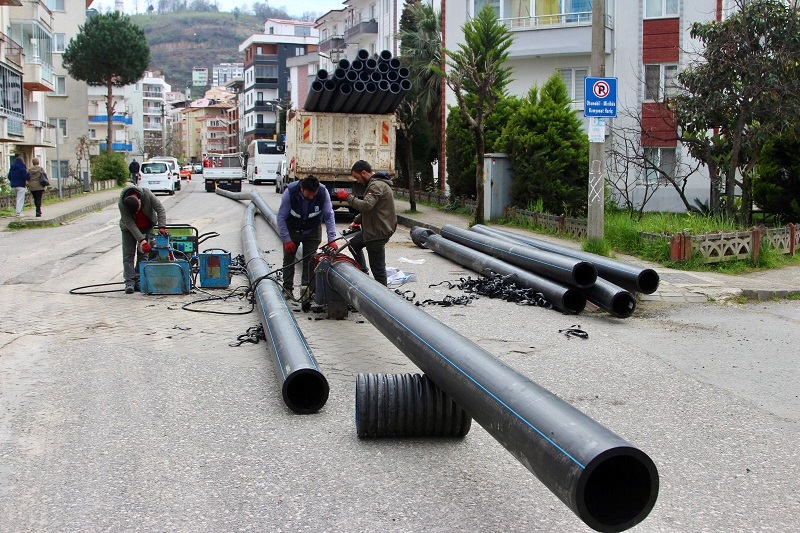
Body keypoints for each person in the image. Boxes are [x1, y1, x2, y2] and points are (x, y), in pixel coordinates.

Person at [335, 160, 397, 286]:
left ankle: (383, 298)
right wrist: (357, 221)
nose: (357, 181)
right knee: (354, 245)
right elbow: (373, 209)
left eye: (357, 177)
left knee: (378, 269)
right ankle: (363, 273)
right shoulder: (376, 184)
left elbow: (367, 206)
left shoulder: (376, 186)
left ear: (363, 172)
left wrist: (347, 197)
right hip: (372, 229)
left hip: (377, 232)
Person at [276, 175, 337, 297]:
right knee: (289, 259)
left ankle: (307, 290)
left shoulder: (322, 192)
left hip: (312, 230)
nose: (312, 197)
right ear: (301, 188)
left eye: (313, 194)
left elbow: (329, 215)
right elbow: (281, 217)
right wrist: (286, 239)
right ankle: (287, 288)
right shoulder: (290, 192)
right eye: (308, 194)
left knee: (310, 261)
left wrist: (332, 239)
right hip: (293, 229)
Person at [118, 184, 167, 294]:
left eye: (137, 210)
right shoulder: (122, 203)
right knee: (128, 255)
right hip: (129, 229)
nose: (136, 213)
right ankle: (129, 282)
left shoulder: (147, 194)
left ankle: (139, 280)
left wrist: (162, 226)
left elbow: (160, 209)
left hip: (146, 227)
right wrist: (142, 240)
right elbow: (130, 223)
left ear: (139, 200)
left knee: (143, 254)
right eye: (133, 212)